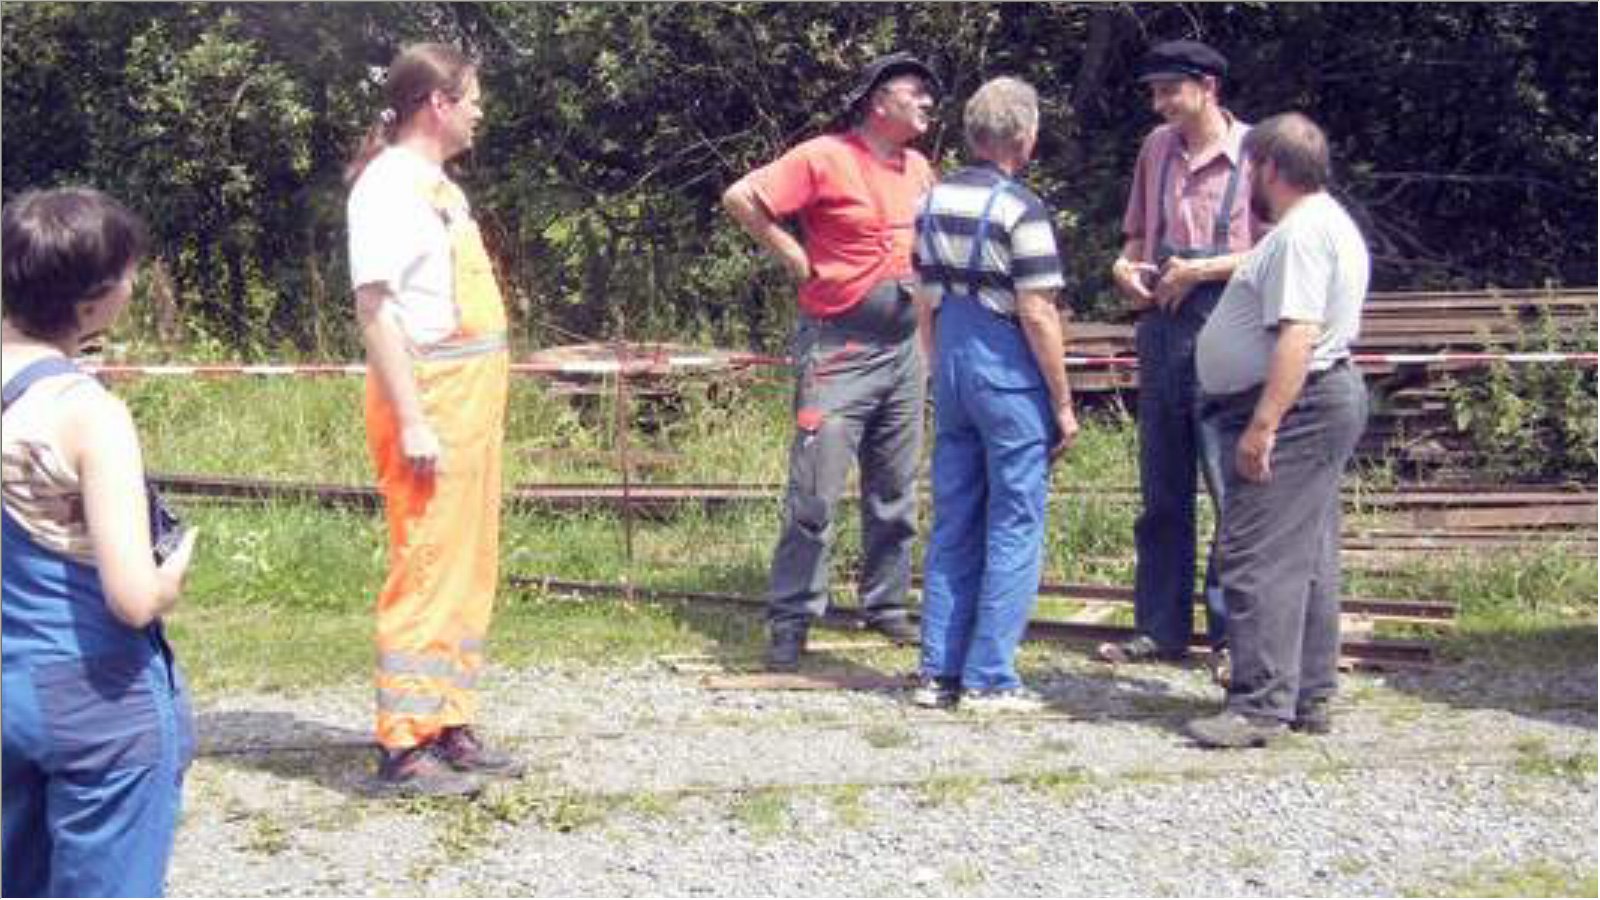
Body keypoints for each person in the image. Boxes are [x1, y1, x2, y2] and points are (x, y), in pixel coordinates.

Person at [2, 188, 200, 896]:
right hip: (97, 698)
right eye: (126, 273)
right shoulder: (89, 413)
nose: (134, 283)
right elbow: (132, 598)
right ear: (91, 303)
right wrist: (174, 568)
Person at [722, 52, 940, 671]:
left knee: (896, 488)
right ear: (878, 101)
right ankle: (791, 619)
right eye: (915, 91)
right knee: (815, 492)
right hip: (839, 348)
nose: (927, 101)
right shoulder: (823, 156)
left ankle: (886, 604)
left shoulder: (919, 167)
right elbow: (742, 197)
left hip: (904, 350)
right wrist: (792, 254)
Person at [345, 43, 521, 794]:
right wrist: (414, 420)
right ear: (437, 103)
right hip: (431, 400)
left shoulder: (439, 188)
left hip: (471, 400)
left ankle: (449, 721)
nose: (480, 110)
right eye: (471, 96)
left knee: (466, 565)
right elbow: (375, 310)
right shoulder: (387, 187)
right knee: (426, 565)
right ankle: (404, 745)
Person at [1186, 112, 1370, 748]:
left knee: (1254, 553)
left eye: (1251, 168)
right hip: (1316, 402)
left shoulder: (1300, 235)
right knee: (1307, 555)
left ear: (1268, 167)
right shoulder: (1326, 223)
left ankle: (1259, 705)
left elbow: (1298, 335)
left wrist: (1263, 425)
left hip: (1298, 407)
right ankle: (1308, 694)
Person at [911, 77, 1078, 713]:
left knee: (955, 518)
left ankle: (938, 673)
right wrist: (1062, 403)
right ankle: (990, 677)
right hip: (1006, 372)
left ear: (973, 134)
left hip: (952, 359)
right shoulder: (1022, 210)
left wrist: (937, 369)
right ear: (1025, 138)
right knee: (1015, 519)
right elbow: (1037, 312)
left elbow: (925, 294)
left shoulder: (932, 200)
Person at [1100, 39, 1263, 676]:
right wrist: (1123, 268)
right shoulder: (1156, 148)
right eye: (1154, 91)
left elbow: (1278, 251)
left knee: (1229, 489)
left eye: (1170, 90)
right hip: (1162, 332)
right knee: (1162, 490)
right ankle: (1159, 629)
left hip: (1229, 326)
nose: (1159, 103)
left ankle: (1233, 639)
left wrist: (1201, 271)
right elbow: (1136, 237)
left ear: (1208, 88)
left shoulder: (1257, 152)